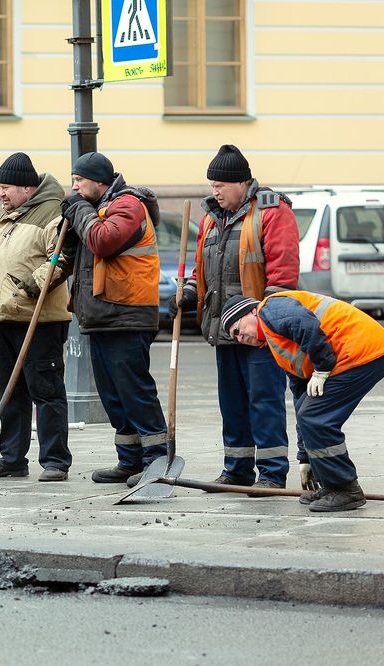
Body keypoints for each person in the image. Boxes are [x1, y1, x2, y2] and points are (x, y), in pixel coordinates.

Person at [170, 145, 300, 491]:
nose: (214, 192)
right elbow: (204, 270)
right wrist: (189, 291)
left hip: (261, 331)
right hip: (223, 328)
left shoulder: (272, 212)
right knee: (232, 404)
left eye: (220, 186)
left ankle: (272, 474)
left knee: (264, 402)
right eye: (211, 185)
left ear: (242, 183)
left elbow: (283, 277)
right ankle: (237, 470)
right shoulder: (212, 218)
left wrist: (264, 319)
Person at [220, 292, 384, 511]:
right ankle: (331, 485)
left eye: (238, 330)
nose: (239, 338)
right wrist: (305, 457)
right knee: (310, 413)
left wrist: (322, 368)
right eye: (234, 337)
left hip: (360, 349)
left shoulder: (270, 309)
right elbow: (301, 399)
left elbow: (304, 324)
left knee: (316, 418)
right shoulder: (276, 345)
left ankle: (345, 489)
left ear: (251, 312)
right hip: (357, 353)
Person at [59, 152, 168, 485]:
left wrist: (78, 210)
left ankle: (157, 460)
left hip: (128, 312)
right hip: (102, 315)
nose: (74, 187)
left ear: (99, 182)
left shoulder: (128, 206)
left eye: (79, 181)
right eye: (73, 180)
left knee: (134, 391)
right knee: (113, 396)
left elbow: (103, 241)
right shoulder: (96, 209)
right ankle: (130, 459)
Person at [0, 152, 72, 482]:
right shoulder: (9, 217)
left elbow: (62, 258)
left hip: (38, 319)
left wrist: (31, 285)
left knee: (46, 389)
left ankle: (55, 461)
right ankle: (13, 458)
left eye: (6, 187)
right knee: (9, 391)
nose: (1, 193)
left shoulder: (52, 214)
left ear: (27, 188)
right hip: (6, 316)